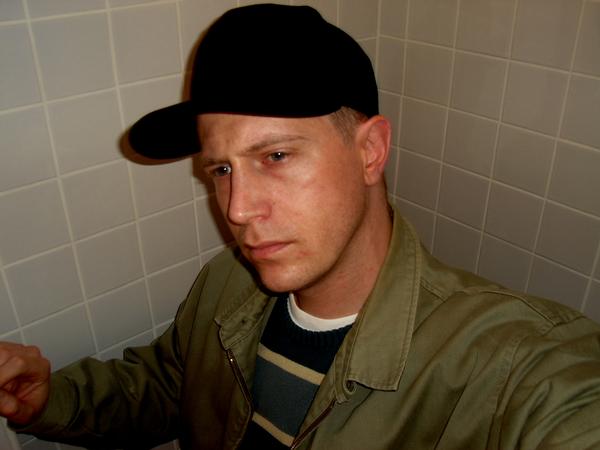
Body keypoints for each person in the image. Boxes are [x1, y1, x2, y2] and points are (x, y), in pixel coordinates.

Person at [1, 4, 600, 449]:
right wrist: (53, 399)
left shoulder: (515, 363)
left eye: (276, 156)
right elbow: (168, 387)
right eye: (221, 169)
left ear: (370, 152)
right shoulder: (226, 284)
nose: (237, 210)